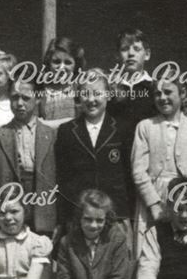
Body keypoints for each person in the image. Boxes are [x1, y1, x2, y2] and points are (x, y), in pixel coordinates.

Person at [131, 73, 187, 252]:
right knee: (152, 248)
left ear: (182, 93)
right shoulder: (145, 126)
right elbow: (138, 171)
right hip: (155, 196)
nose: (162, 98)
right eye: (157, 94)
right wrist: (153, 204)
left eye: (168, 92)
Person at [55, 68, 133, 232]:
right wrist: (64, 220)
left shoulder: (122, 129)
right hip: (80, 218)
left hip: (115, 216)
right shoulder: (67, 131)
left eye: (97, 93)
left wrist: (127, 215)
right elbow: (62, 178)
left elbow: (128, 176)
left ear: (108, 95)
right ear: (78, 96)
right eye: (85, 94)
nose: (91, 100)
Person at [0, 80, 58, 235]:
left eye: (25, 98)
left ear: (38, 98)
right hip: (8, 212)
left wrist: (60, 222)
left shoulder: (51, 135)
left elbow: (60, 181)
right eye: (15, 98)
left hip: (42, 209)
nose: (19, 103)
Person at [39, 36, 86, 127]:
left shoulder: (79, 91)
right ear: (49, 62)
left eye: (68, 62)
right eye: (56, 62)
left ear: (76, 65)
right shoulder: (41, 91)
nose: (61, 68)